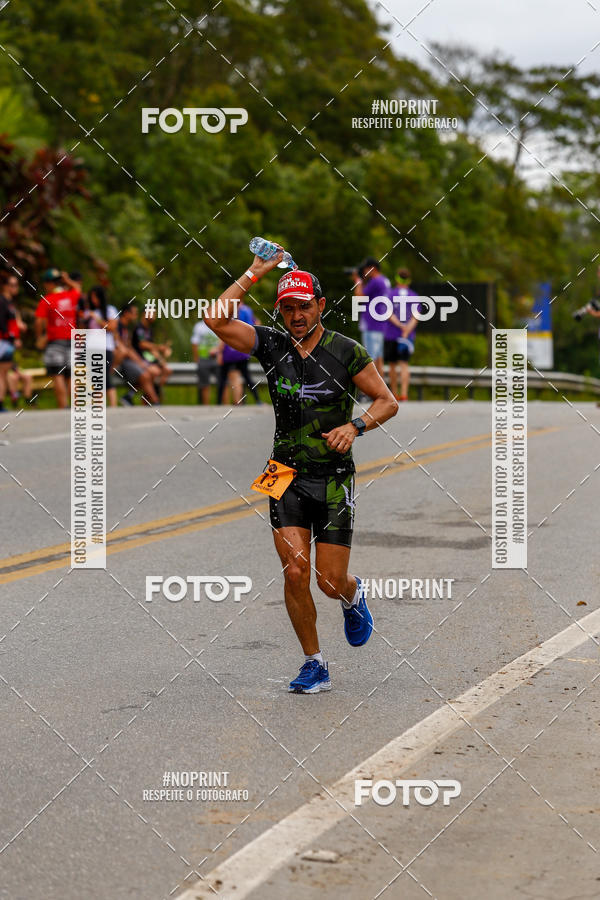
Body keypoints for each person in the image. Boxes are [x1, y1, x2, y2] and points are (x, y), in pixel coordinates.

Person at [204, 248, 398, 695]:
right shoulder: (270, 344)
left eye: (303, 306)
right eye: (287, 307)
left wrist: (355, 426)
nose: (295, 315)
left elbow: (387, 401)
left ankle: (352, 596)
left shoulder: (346, 351)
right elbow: (215, 319)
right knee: (294, 572)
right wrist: (255, 271)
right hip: (282, 472)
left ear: (320, 306)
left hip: (333, 477)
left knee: (329, 582)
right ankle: (315, 663)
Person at [34, 268, 81, 409]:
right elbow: (78, 288)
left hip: (55, 342)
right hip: (72, 341)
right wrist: (67, 280)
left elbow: (38, 321)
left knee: (58, 375)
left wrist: (39, 337)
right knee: (71, 376)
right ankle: (75, 407)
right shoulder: (70, 296)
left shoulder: (47, 300)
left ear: (49, 284)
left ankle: (63, 407)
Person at [384, 267, 421, 401]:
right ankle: (404, 393)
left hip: (391, 334)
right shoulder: (414, 296)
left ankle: (394, 393)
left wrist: (400, 325)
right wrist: (407, 330)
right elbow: (416, 317)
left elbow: (388, 313)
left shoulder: (390, 294)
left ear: (397, 279)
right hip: (407, 336)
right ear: (409, 280)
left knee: (393, 364)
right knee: (404, 364)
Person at [113, 305, 160, 406]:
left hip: (130, 359)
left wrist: (141, 362)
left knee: (151, 372)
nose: (136, 315)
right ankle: (155, 402)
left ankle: (130, 396)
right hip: (121, 361)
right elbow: (124, 348)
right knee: (146, 375)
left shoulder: (127, 328)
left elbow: (129, 348)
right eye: (134, 313)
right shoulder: (118, 326)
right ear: (126, 313)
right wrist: (141, 362)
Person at [80, 285, 119, 407]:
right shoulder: (88, 312)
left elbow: (111, 328)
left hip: (105, 348)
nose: (93, 300)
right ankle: (98, 405)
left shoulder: (110, 310)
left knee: (105, 377)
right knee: (94, 378)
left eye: (95, 297)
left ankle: (113, 405)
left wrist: (96, 318)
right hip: (91, 347)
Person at [352, 256, 389, 378]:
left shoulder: (375, 281)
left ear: (372, 269)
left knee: (369, 360)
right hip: (381, 324)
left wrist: (358, 281)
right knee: (379, 359)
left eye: (365, 269)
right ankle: (381, 390)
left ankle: (370, 392)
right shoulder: (385, 280)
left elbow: (359, 297)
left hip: (371, 324)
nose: (364, 272)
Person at [132, 307, 172, 400]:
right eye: (152, 313)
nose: (154, 316)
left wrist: (161, 360)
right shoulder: (139, 328)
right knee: (155, 371)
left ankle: (153, 393)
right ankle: (152, 398)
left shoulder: (149, 330)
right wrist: (160, 347)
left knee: (167, 370)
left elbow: (152, 349)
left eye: (155, 313)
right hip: (139, 359)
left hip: (149, 358)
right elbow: (142, 344)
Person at [0, 273, 19, 412]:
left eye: (16, 285)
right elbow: (2, 323)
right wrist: (11, 336)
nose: (15, 288)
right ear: (5, 286)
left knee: (4, 374)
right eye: (12, 285)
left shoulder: (10, 303)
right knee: (2, 374)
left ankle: (8, 399)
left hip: (8, 342)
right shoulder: (2, 301)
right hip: (4, 341)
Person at [191, 318, 219, 404]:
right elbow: (194, 343)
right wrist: (197, 359)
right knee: (204, 385)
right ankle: (206, 407)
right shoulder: (199, 326)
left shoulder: (219, 324)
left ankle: (224, 407)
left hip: (218, 358)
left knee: (223, 384)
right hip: (203, 358)